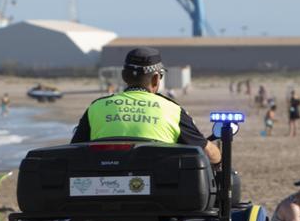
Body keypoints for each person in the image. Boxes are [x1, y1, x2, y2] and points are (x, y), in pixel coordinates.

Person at [69, 47, 221, 165]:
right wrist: (218, 156)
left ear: (124, 76)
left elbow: (74, 151)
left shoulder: (97, 107)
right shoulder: (172, 110)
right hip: (163, 195)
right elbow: (209, 153)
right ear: (156, 79)